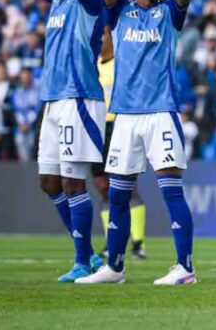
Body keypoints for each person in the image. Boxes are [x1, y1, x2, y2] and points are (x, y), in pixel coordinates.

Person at [77, 0, 196, 285]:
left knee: (169, 187)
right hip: (124, 116)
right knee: (117, 194)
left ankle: (185, 268)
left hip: (161, 111)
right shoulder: (119, 12)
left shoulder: (170, 15)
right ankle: (114, 266)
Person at [8, 0, 106, 282]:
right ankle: (88, 256)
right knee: (50, 182)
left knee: (71, 179)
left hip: (80, 96)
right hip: (55, 98)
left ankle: (84, 261)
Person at [91, 28, 147, 261]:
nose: (104, 41)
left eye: (107, 37)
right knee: (102, 186)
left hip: (118, 125)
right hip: (96, 127)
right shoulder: (94, 63)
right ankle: (111, 241)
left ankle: (138, 242)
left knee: (125, 185)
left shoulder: (122, 61)